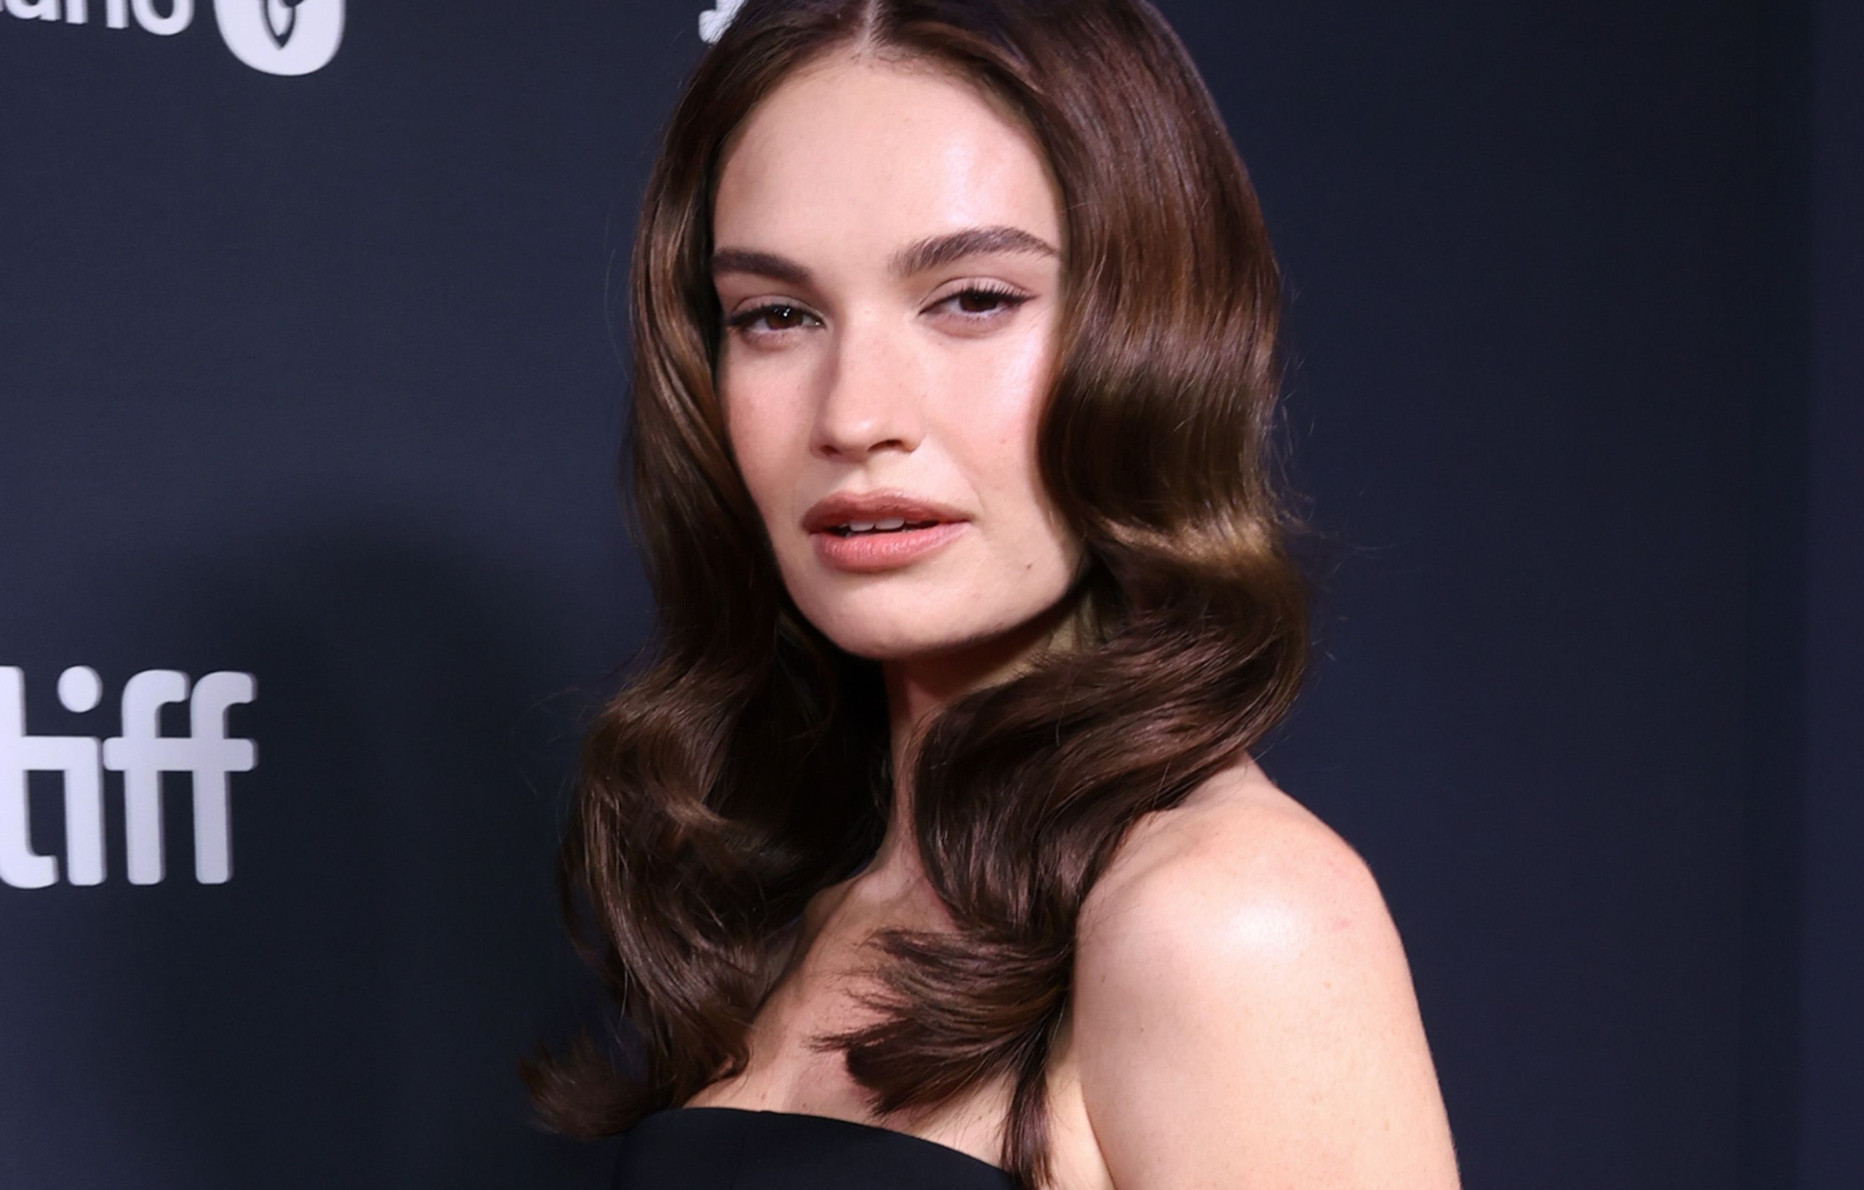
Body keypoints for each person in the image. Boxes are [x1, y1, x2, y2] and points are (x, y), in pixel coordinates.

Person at [527, 1, 1461, 1186]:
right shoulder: (794, 903)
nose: (856, 415)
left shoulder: (1228, 918)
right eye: (776, 316)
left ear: (1156, 332)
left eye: (973, 299)